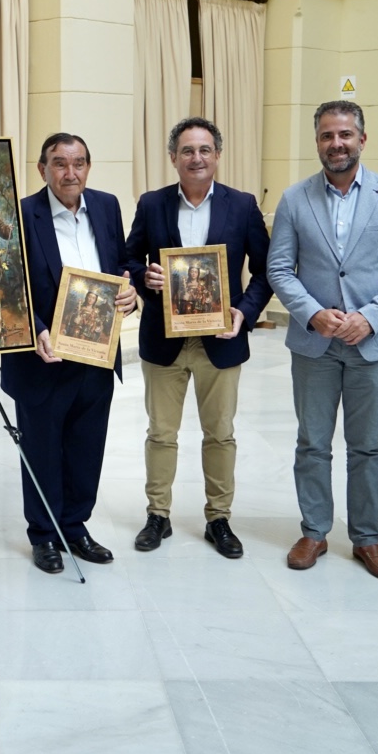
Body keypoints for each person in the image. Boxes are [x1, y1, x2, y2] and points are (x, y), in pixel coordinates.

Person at [266, 101, 378, 578]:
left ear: (362, 139)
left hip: (370, 345)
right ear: (317, 142)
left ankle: (367, 539)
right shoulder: (295, 198)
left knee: (366, 446)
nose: (337, 143)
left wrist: (369, 318)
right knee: (312, 442)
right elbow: (279, 268)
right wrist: (312, 313)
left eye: (345, 135)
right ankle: (314, 531)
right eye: (327, 136)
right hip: (314, 344)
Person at [126, 117, 273, 557]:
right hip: (163, 339)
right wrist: (143, 276)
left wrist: (244, 313)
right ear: (173, 158)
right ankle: (158, 515)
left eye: (204, 150)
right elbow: (129, 258)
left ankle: (219, 519)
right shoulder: (152, 204)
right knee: (161, 433)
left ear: (217, 156)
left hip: (221, 340)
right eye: (187, 150)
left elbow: (266, 273)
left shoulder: (242, 206)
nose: (196, 158)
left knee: (221, 434)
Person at [0, 133, 137, 574]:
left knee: (86, 445)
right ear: (42, 169)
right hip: (43, 355)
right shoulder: (21, 214)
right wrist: (36, 329)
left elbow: (121, 265)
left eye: (78, 163)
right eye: (60, 163)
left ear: (89, 168)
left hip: (96, 353)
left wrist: (129, 292)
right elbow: (5, 286)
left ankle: (75, 527)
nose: (70, 172)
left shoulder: (107, 205)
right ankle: (43, 535)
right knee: (41, 448)